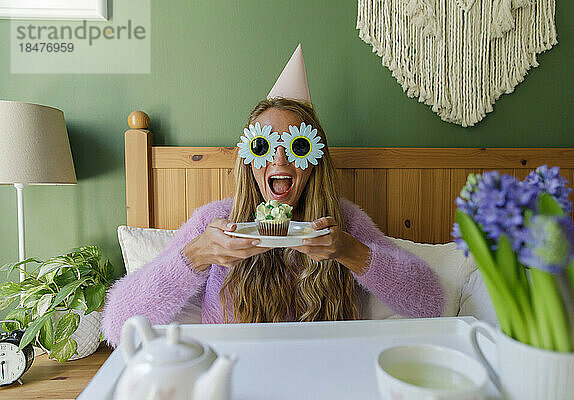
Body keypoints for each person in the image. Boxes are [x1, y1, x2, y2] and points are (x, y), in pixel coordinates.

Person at [101, 45, 444, 347]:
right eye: (264, 146)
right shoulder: (217, 224)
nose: (279, 159)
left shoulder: (345, 223)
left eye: (296, 146)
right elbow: (118, 327)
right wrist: (195, 256)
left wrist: (351, 252)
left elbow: (431, 303)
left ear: (314, 162)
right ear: (249, 161)